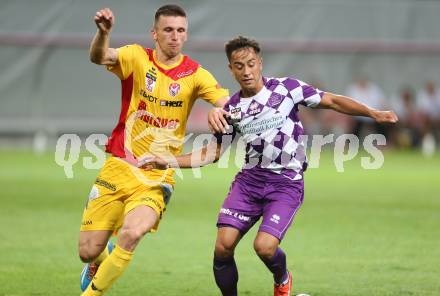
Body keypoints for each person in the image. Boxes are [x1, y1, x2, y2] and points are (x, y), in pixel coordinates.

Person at [142, 36, 398, 296]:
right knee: (223, 247)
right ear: (231, 69)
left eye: (251, 63)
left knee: (264, 247)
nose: (246, 71)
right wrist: (168, 160)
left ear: (260, 63)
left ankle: (282, 278)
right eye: (239, 66)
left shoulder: (286, 89)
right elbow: (213, 153)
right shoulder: (231, 109)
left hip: (286, 182)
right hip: (250, 182)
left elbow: (331, 100)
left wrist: (372, 113)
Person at [78, 5, 229, 296]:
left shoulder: (196, 75)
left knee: (133, 233)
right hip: (119, 165)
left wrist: (220, 113)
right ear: (155, 33)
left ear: (186, 34)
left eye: (181, 30)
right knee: (87, 251)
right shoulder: (136, 57)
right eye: (168, 30)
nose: (175, 36)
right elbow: (99, 57)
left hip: (157, 175)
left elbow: (228, 104)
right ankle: (98, 260)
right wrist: (103, 33)